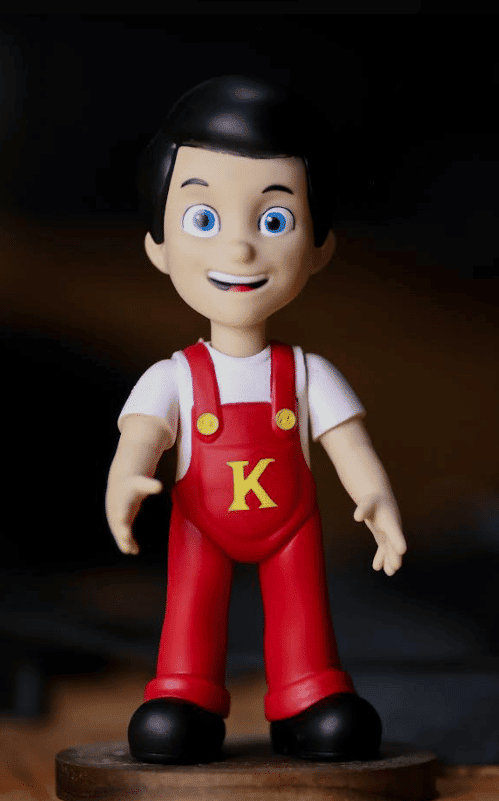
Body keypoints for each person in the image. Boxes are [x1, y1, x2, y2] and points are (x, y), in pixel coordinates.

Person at [105, 75, 407, 765]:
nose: (240, 251)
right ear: (157, 245)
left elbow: (349, 444)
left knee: (303, 610)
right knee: (190, 608)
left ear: (319, 246)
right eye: (203, 219)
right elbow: (141, 435)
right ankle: (183, 696)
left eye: (274, 221)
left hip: (290, 526)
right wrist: (126, 481)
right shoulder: (174, 377)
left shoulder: (306, 374)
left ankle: (307, 698)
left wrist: (376, 499)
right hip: (199, 524)